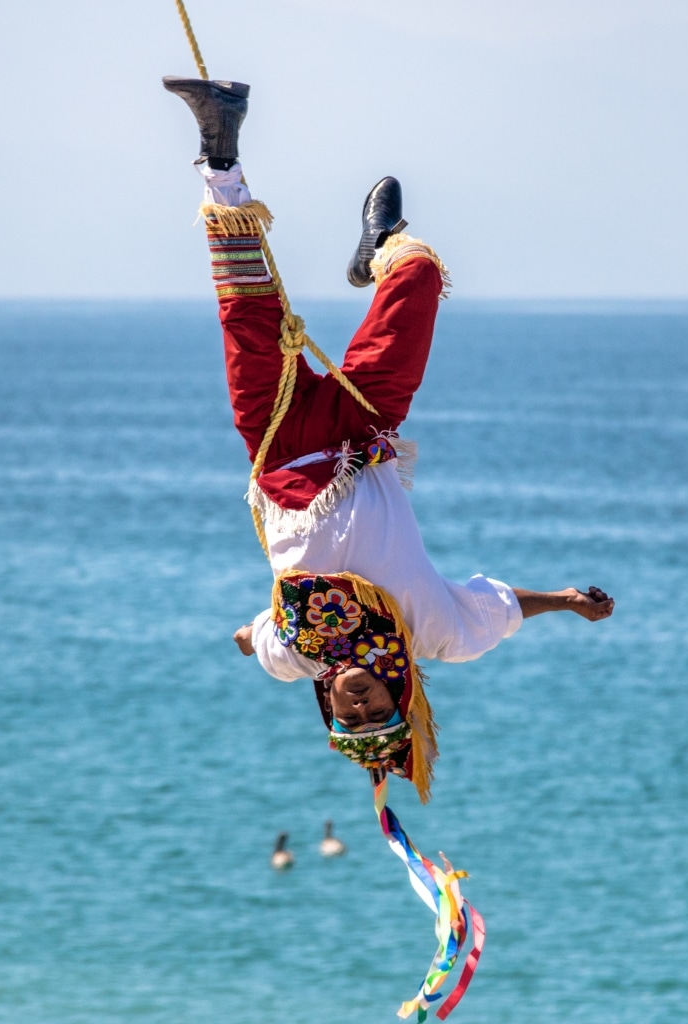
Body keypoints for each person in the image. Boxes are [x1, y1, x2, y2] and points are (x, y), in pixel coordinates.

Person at [164, 76, 614, 800]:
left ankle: (220, 147)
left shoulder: (296, 657)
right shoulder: (434, 632)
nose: (361, 700)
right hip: (361, 431)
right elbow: (498, 606)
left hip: (277, 448)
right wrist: (564, 600)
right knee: (421, 275)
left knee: (246, 313)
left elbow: (254, 639)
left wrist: (248, 639)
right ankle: (382, 247)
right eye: (379, 709)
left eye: (352, 713)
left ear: (329, 709)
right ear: (399, 695)